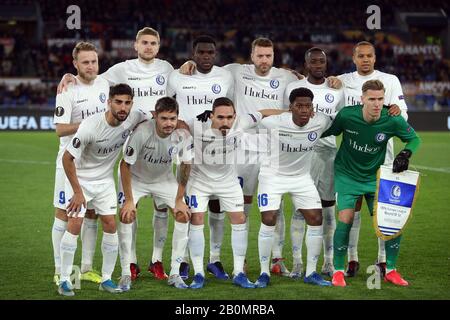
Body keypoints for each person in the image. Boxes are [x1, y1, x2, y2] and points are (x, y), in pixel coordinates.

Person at [58, 27, 174, 281]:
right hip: (126, 145)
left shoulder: (167, 69)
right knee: (123, 211)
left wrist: (188, 64)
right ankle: (126, 263)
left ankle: (158, 260)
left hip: (158, 141)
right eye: (144, 42)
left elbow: (183, 85)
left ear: (159, 45)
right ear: (135, 45)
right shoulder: (121, 69)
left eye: (153, 43)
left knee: (161, 206)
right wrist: (69, 74)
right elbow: (90, 76)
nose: (148, 47)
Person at [321, 80, 420, 287]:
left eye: (380, 99)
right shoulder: (348, 115)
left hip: (375, 177)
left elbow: (414, 139)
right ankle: (338, 271)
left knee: (391, 221)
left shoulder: (392, 119)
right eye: (372, 99)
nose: (376, 104)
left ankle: (391, 270)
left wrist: (405, 153)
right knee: (346, 219)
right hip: (347, 175)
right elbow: (328, 131)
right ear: (362, 99)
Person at [185, 97, 284, 289]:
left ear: (235, 116)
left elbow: (263, 113)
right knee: (196, 219)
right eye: (220, 117)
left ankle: (239, 272)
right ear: (211, 115)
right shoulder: (196, 124)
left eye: (229, 117)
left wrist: (290, 112)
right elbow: (176, 122)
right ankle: (198, 273)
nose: (225, 122)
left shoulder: (241, 122)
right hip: (200, 182)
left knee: (239, 219)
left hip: (228, 181)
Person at [329, 41, 409, 278]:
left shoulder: (391, 80)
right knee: (351, 211)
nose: (365, 59)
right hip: (353, 161)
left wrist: (395, 110)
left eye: (369, 56)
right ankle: (352, 258)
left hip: (384, 160)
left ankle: (383, 260)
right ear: (353, 58)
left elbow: (403, 114)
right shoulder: (342, 81)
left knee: (384, 212)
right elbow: (335, 113)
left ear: (375, 58)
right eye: (360, 56)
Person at [58, 84, 145, 296]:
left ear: (131, 104)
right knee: (75, 224)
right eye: (118, 102)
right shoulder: (90, 126)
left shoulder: (134, 117)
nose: (123, 107)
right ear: (109, 102)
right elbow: (67, 159)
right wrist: (78, 193)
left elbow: (157, 116)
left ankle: (106, 278)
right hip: (82, 180)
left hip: (105, 181)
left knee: (110, 224)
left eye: (127, 103)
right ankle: (64, 280)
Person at [167, 35, 234, 280]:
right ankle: (183, 260)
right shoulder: (178, 75)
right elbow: (166, 105)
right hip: (186, 147)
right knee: (186, 204)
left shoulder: (225, 76)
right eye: (201, 52)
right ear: (193, 53)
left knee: (217, 204)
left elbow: (232, 108)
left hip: (218, 148)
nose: (206, 56)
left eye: (210, 52)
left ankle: (214, 259)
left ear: (215, 54)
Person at [254, 87, 332, 288]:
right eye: (300, 106)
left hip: (301, 178)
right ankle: (264, 272)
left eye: (308, 106)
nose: (304, 110)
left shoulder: (320, 121)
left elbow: (337, 119)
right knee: (269, 218)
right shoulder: (274, 123)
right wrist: (283, 113)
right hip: (273, 176)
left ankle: (311, 272)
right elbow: (259, 114)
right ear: (291, 107)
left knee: (316, 218)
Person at [117, 97, 193, 290]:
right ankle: (126, 272)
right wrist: (129, 200)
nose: (169, 123)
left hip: (163, 179)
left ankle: (175, 273)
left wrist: (179, 199)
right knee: (127, 215)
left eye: (172, 118)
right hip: (136, 179)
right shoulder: (143, 132)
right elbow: (125, 165)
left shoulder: (182, 136)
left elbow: (185, 166)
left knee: (183, 214)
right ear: (156, 117)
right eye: (164, 118)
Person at [284, 47, 345, 278]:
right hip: (301, 155)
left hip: (328, 155)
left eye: (322, 62)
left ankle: (328, 262)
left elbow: (344, 120)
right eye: (314, 62)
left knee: (328, 210)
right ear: (306, 64)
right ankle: (298, 262)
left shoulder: (337, 89)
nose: (318, 65)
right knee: (301, 210)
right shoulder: (293, 88)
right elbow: (283, 116)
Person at [52, 41, 109, 286]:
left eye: (94, 61)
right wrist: (89, 125)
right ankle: (59, 269)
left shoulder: (105, 84)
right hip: (70, 162)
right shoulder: (67, 89)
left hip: (98, 163)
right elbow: (60, 129)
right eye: (85, 62)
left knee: (92, 214)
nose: (90, 66)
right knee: (65, 214)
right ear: (75, 64)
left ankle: (86, 267)